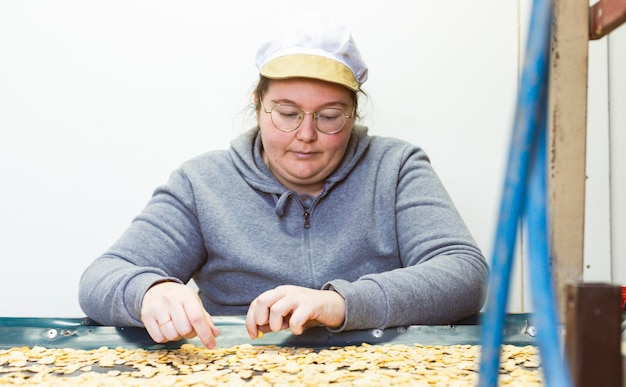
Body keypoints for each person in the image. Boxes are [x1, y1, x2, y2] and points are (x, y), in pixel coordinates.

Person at [79, 15, 489, 349]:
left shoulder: (396, 167)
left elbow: (464, 275)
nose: (306, 135)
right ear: (258, 106)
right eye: (287, 113)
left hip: (381, 378)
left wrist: (340, 302)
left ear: (353, 113)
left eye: (329, 116)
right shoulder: (202, 183)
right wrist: (149, 291)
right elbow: (102, 278)